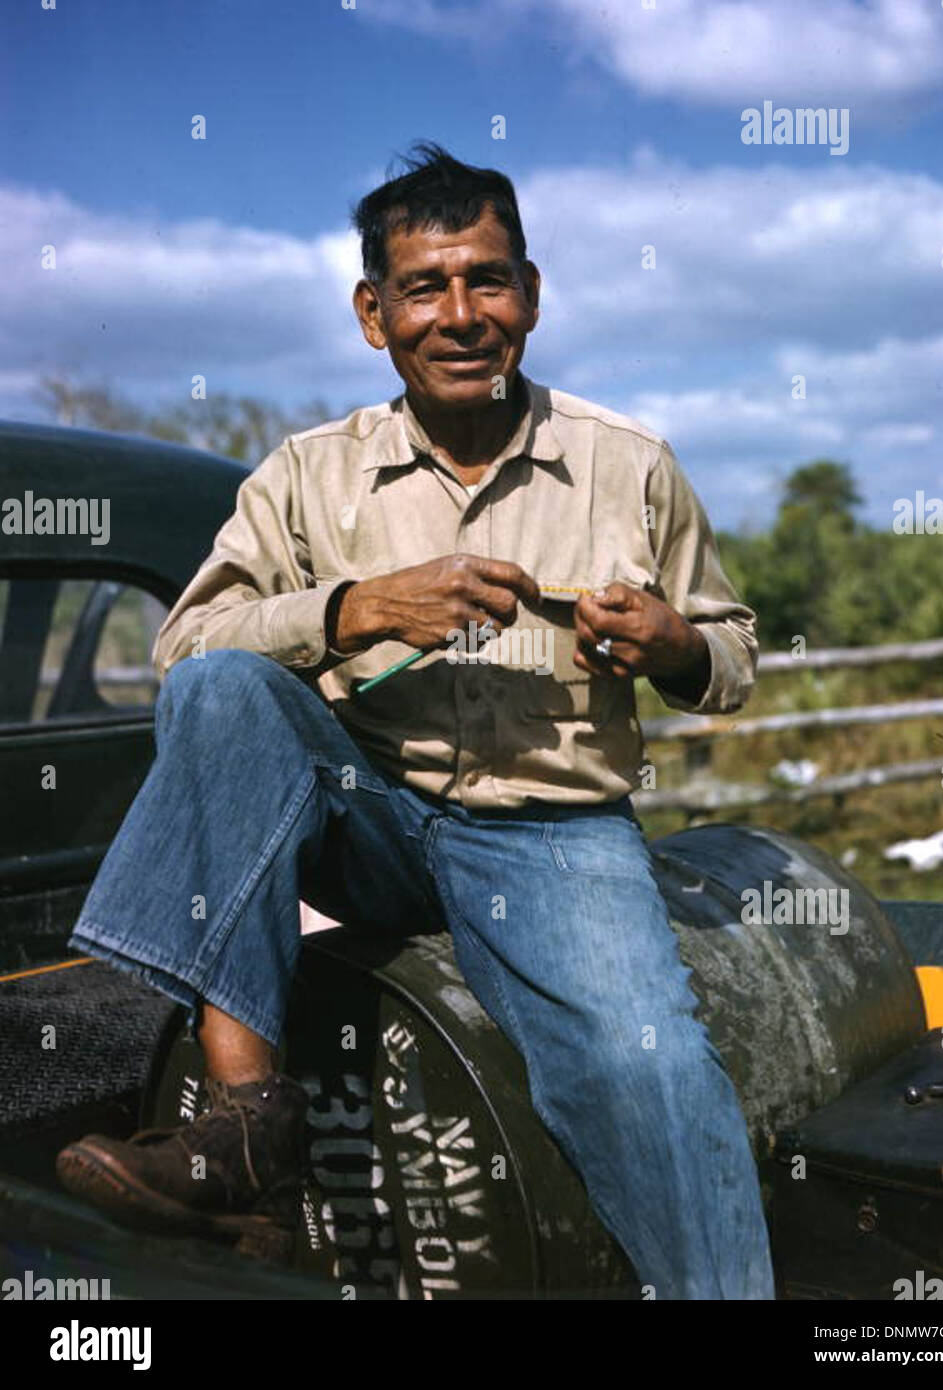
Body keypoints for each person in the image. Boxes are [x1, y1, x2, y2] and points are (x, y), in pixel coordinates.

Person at [56, 142, 774, 1299]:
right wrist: (357, 609)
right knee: (226, 687)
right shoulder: (307, 473)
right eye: (424, 287)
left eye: (487, 280)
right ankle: (246, 1130)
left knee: (655, 1080)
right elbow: (184, 647)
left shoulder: (627, 464)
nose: (460, 314)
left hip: (555, 834)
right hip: (369, 814)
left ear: (530, 296)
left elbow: (735, 651)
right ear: (372, 314)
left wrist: (676, 645)